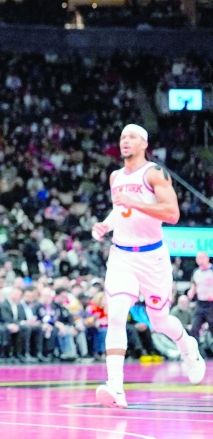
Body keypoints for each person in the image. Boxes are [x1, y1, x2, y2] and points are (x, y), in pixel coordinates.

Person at [92, 124, 206, 409]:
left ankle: (188, 347)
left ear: (144, 143)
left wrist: (134, 202)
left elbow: (172, 213)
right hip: (121, 255)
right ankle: (115, 387)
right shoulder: (116, 176)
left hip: (152, 256)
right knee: (116, 314)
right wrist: (107, 224)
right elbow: (121, 209)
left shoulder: (154, 173)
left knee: (159, 320)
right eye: (122, 138)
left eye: (131, 137)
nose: (125, 141)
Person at [188, 251, 213, 341]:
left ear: (207, 258)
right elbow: (194, 285)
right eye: (198, 258)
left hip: (211, 304)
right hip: (200, 303)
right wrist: (192, 291)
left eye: (202, 258)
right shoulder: (196, 272)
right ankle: (195, 351)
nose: (200, 260)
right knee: (194, 328)